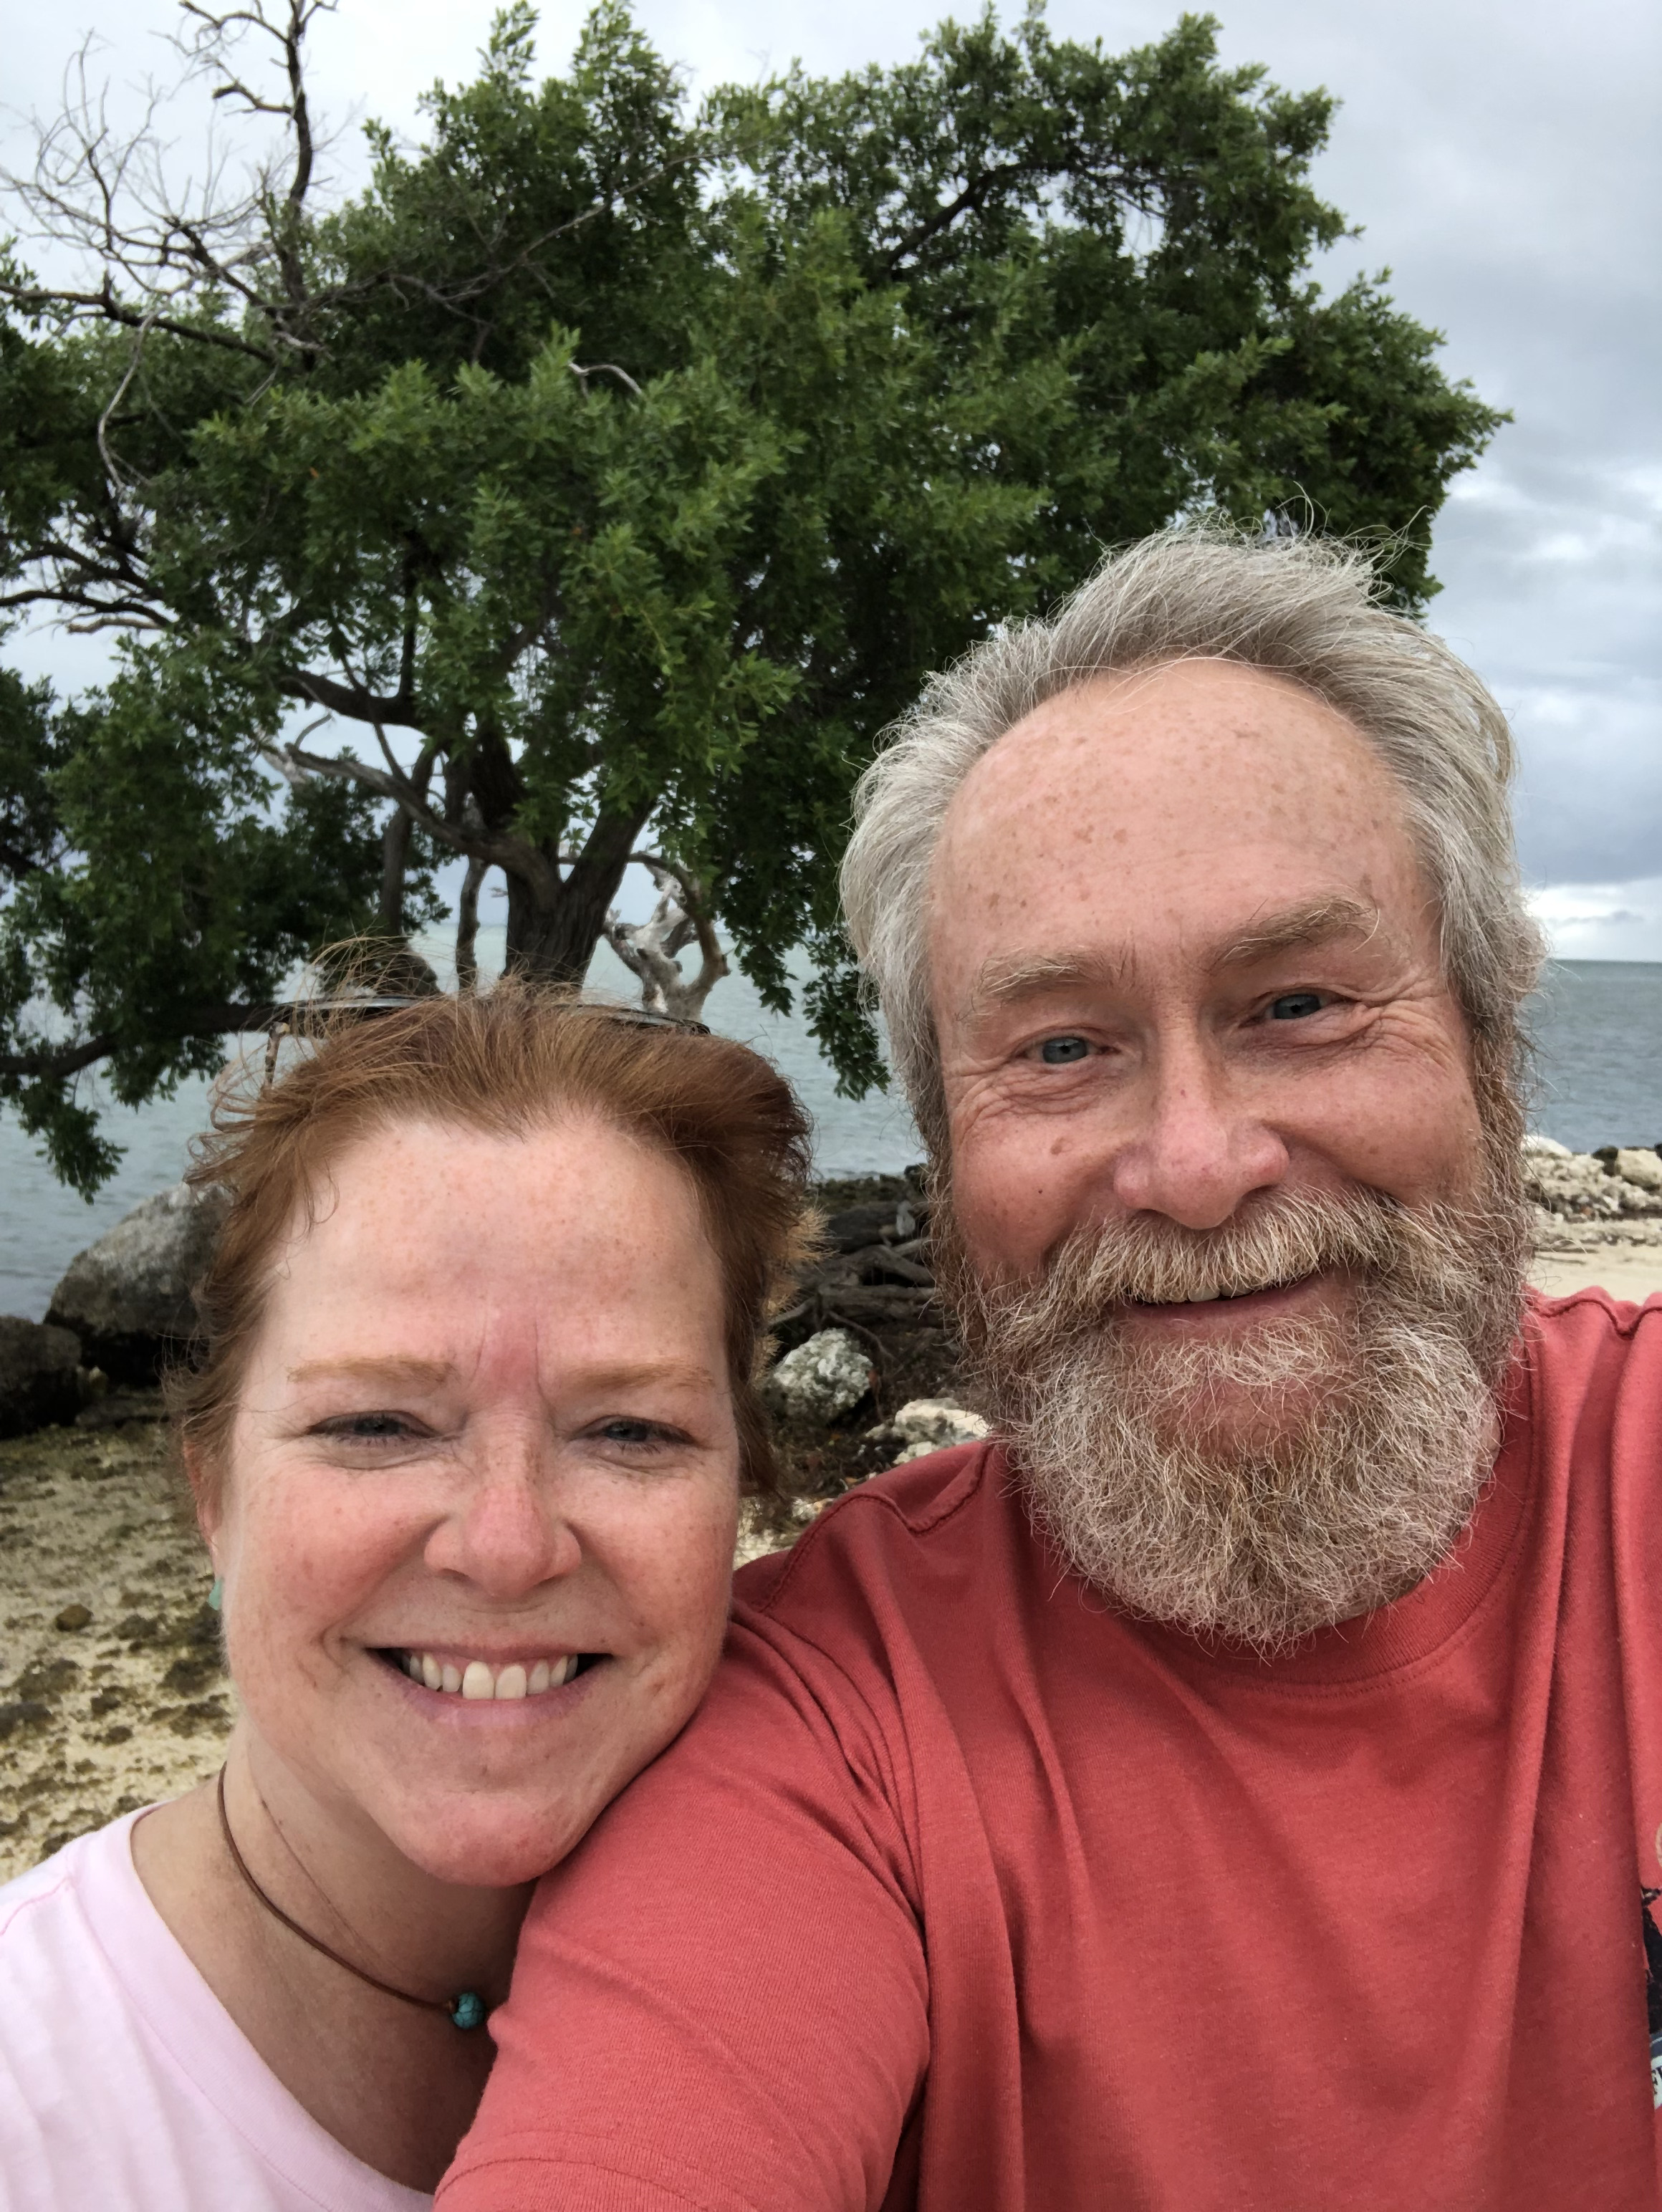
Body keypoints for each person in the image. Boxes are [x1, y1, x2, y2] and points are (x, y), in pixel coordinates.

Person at [440, 530, 1662, 2211]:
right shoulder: (828, 1728)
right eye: (1061, 1046)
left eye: (1296, 1001)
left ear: (1487, 1046)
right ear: (946, 1150)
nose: (1196, 1165)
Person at [0, 984, 812, 2208]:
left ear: (740, 1495)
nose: (507, 1546)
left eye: (632, 1431)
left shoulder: (866, 1987)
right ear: (214, 1494)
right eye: (377, 1424)